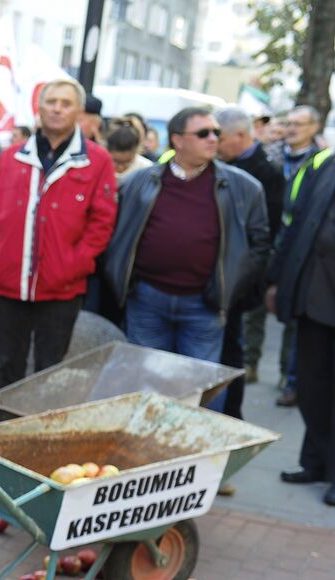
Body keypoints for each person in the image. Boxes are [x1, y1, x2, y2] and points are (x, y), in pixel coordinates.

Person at [103, 107, 269, 414]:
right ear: (177, 140)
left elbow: (259, 246)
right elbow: (118, 236)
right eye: (203, 133)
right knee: (146, 383)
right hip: (147, 300)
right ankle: (145, 452)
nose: (213, 138)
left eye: (216, 132)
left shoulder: (243, 187)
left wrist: (228, 289)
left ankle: (195, 456)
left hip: (204, 305)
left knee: (201, 388)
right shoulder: (141, 182)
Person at [0, 78, 117, 393]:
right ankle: (1, 434)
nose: (57, 109)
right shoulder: (12, 156)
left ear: (79, 112)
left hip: (62, 287)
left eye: (66, 103)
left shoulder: (96, 161)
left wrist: (75, 263)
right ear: (39, 108)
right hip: (9, 282)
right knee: (8, 366)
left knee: (50, 370)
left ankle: (41, 437)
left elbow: (102, 223)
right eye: (51, 102)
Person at [266, 143, 335, 506]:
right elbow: (297, 226)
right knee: (312, 386)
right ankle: (315, 462)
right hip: (313, 297)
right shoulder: (325, 164)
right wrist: (278, 280)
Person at [215, 106, 285, 406]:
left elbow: (263, 235)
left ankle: (231, 412)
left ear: (240, 136)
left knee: (231, 348)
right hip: (211, 274)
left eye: (219, 137)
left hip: (236, 277)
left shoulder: (266, 172)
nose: (213, 144)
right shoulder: (215, 164)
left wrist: (245, 276)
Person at [274, 105, 326, 407]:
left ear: (314, 127)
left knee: (296, 317)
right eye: (288, 122)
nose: (291, 128)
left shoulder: (320, 162)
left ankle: (290, 378)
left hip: (300, 246)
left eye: (298, 123)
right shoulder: (272, 155)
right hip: (278, 241)